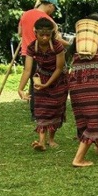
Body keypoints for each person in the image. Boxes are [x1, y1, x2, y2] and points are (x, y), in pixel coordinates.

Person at [17, 17, 68, 151]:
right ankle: (41, 141)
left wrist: (48, 84)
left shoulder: (57, 46)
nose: (45, 38)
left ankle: (51, 139)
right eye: (41, 35)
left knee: (55, 109)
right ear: (36, 33)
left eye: (48, 35)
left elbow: (59, 68)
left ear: (52, 34)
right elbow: (27, 70)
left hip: (58, 80)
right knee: (41, 109)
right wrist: (20, 89)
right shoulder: (31, 46)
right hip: (41, 78)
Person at [68, 14, 98, 167]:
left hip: (76, 82)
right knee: (93, 119)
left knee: (85, 118)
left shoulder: (78, 44)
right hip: (94, 83)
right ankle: (78, 159)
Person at [17, 0, 68, 117]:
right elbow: (57, 40)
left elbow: (19, 33)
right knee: (42, 82)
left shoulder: (25, 14)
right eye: (54, 8)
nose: (53, 11)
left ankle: (35, 111)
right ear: (50, 5)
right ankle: (41, 111)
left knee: (33, 81)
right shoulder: (48, 21)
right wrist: (71, 44)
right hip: (44, 54)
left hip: (26, 52)